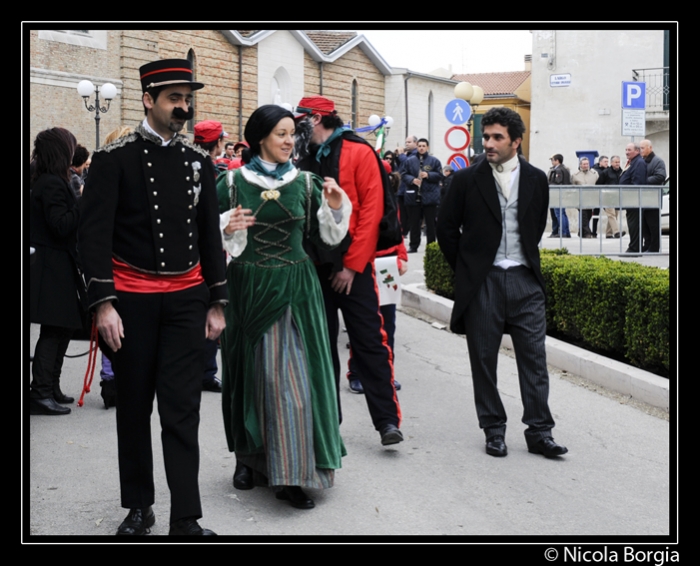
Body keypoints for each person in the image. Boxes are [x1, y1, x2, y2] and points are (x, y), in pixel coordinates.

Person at [79, 58, 227, 536]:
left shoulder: (198, 162)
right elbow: (94, 237)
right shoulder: (113, 159)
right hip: (133, 302)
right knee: (134, 408)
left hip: (186, 300)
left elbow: (210, 237)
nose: (183, 107)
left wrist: (217, 302)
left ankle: (186, 518)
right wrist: (103, 304)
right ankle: (139, 507)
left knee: (182, 411)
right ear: (149, 99)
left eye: (187, 99)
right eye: (173, 99)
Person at [216, 104, 350, 510]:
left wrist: (337, 206)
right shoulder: (232, 183)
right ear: (260, 138)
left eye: (293, 133)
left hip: (296, 288)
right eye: (281, 133)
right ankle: (248, 459)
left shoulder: (307, 184)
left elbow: (328, 238)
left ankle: (292, 473)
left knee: (291, 382)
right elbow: (208, 238)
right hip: (248, 285)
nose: (290, 140)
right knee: (247, 375)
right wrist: (225, 228)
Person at [437, 107, 568, 459]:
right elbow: (445, 229)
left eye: (497, 137)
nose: (489, 143)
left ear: (516, 141)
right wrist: (468, 269)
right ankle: (493, 429)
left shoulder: (537, 178)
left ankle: (540, 431)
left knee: (535, 360)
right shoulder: (466, 180)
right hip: (484, 281)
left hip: (526, 280)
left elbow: (535, 224)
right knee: (483, 360)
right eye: (486, 136)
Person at [294, 95, 403, 447]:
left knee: (370, 343)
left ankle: (387, 421)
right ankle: (329, 423)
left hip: (354, 271)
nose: (297, 128)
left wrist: (352, 267)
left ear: (318, 118)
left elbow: (371, 213)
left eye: (302, 121)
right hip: (315, 270)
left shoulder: (359, 152)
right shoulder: (304, 157)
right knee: (321, 349)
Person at [29, 127, 85, 416]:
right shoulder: (51, 183)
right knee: (54, 329)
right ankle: (39, 392)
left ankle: (50, 387)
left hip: (56, 264)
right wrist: (83, 203)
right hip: (52, 266)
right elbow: (60, 225)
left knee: (63, 327)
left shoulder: (49, 180)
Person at [401, 138, 443, 253]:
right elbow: (403, 174)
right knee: (414, 223)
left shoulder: (434, 161)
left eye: (424, 146)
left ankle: (431, 246)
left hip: (430, 197)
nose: (421, 148)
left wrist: (428, 175)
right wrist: (412, 180)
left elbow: (440, 175)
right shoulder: (409, 161)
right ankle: (413, 246)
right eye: (419, 146)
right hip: (414, 196)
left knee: (430, 224)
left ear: (427, 147)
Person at [639, 139, 666, 252]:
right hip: (643, 198)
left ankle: (654, 247)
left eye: (643, 148)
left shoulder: (658, 161)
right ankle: (647, 245)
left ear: (650, 148)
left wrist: (643, 180)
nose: (641, 150)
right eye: (640, 148)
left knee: (653, 225)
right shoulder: (642, 161)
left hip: (653, 198)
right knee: (644, 224)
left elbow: (660, 176)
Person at [620, 142, 648, 254]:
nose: (627, 152)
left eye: (629, 150)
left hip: (634, 199)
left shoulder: (639, 163)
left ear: (637, 151)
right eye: (626, 150)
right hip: (630, 199)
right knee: (633, 224)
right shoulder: (633, 162)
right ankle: (634, 247)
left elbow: (638, 182)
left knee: (635, 225)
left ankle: (634, 248)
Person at [571, 157, 598, 238]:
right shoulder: (575, 175)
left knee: (589, 215)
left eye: (587, 164)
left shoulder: (594, 173)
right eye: (584, 164)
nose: (586, 165)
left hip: (590, 198)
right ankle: (587, 232)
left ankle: (581, 231)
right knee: (584, 215)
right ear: (580, 165)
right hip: (580, 198)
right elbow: (573, 186)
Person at [600, 155, 625, 239]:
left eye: (618, 162)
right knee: (611, 214)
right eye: (616, 162)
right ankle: (617, 232)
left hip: (617, 196)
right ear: (611, 163)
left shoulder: (621, 172)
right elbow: (599, 184)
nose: (617, 164)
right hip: (607, 196)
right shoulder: (606, 172)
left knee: (614, 215)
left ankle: (608, 233)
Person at [547, 154, 571, 238]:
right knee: (561, 213)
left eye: (552, 160)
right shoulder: (563, 169)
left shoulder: (559, 170)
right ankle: (563, 232)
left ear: (557, 161)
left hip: (557, 194)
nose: (552, 162)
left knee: (559, 213)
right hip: (560, 194)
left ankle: (563, 232)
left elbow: (557, 182)